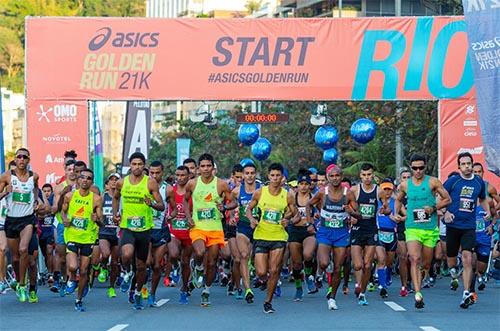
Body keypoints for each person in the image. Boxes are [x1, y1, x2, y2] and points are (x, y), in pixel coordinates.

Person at [395, 153, 451, 309]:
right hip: (412, 227)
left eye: (421, 168)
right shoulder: (405, 185)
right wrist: (398, 214)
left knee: (426, 264)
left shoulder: (433, 182)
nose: (418, 171)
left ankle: (421, 279)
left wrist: (433, 208)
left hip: (430, 228)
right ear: (411, 168)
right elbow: (398, 199)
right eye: (415, 168)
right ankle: (418, 293)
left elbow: (447, 199)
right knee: (414, 258)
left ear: (425, 167)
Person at [112, 152, 165, 310]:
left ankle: (135, 291)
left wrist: (151, 204)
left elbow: (161, 205)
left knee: (142, 266)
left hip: (144, 229)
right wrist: (116, 214)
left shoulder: (150, 183)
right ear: (130, 165)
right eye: (134, 164)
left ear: (144, 166)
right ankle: (126, 272)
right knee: (127, 254)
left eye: (140, 164)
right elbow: (115, 197)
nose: (137, 167)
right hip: (128, 227)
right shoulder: (122, 183)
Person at [183, 153, 236, 306]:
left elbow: (234, 202)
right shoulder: (192, 184)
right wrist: (188, 217)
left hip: (215, 229)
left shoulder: (221, 184)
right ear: (198, 169)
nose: (206, 169)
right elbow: (186, 201)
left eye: (208, 166)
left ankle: (206, 290)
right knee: (199, 252)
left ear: (213, 167)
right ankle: (198, 267)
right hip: (198, 227)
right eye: (203, 166)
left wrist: (225, 206)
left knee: (212, 262)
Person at [245, 163, 297, 314]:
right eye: (272, 176)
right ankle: (265, 281)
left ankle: (268, 301)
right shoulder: (260, 192)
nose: (275, 178)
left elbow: (292, 212)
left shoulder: (287, 195)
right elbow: (249, 208)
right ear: (268, 176)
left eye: (278, 176)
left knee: (274, 270)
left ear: (282, 178)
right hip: (261, 235)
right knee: (262, 272)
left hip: (278, 237)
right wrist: (251, 219)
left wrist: (287, 219)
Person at [307, 164, 359, 310]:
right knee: (323, 263)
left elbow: (358, 214)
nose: (335, 178)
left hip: (341, 233)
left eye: (337, 176)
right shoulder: (322, 192)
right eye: (332, 176)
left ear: (341, 177)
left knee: (338, 267)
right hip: (325, 231)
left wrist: (350, 211)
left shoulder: (347, 193)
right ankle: (320, 272)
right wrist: (309, 222)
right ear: (328, 178)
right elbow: (308, 204)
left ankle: (332, 297)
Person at [443, 152, 490, 309]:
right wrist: (445, 212)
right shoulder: (453, 181)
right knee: (451, 261)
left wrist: (488, 211)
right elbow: (439, 197)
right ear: (458, 166)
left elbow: (482, 199)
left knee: (468, 258)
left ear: (472, 163)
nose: (467, 166)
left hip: (469, 227)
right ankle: (453, 268)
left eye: (469, 163)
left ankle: (466, 293)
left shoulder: (478, 182)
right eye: (463, 164)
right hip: (453, 226)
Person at [0, 148, 41, 302]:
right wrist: (5, 192)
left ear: (28, 160)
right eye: (19, 157)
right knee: (16, 257)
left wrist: (36, 200)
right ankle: (18, 281)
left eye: (25, 157)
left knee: (24, 249)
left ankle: (24, 285)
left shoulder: (34, 176)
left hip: (27, 219)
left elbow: (36, 188)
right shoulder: (6, 177)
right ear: (15, 160)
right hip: (11, 220)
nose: (22, 160)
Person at [61, 168, 103, 311]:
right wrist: (65, 219)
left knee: (84, 270)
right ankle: (72, 278)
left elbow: (101, 221)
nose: (85, 180)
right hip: (72, 235)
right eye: (82, 177)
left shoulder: (96, 198)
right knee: (73, 266)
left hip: (88, 237)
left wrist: (97, 219)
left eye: (88, 178)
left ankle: (78, 299)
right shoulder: (69, 196)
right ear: (78, 180)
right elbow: (63, 211)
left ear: (91, 182)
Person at [349, 163, 381, 306]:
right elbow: (347, 206)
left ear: (373, 175)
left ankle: (362, 292)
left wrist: (386, 210)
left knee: (367, 265)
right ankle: (360, 284)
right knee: (357, 265)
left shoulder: (378, 191)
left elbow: (387, 206)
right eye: (364, 175)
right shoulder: (354, 190)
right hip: (357, 230)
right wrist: (352, 216)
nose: (367, 178)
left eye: (369, 175)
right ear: (360, 176)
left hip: (371, 230)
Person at [231, 162, 260, 304]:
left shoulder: (262, 190)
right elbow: (231, 204)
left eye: (252, 173)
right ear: (242, 175)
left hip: (260, 227)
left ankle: (258, 273)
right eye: (246, 173)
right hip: (243, 226)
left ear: (256, 174)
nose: (249, 176)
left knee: (256, 259)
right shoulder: (237, 190)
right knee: (243, 255)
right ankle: (248, 289)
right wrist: (231, 215)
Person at [147, 161, 175, 307]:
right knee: (145, 263)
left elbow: (174, 208)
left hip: (161, 229)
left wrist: (172, 216)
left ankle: (152, 293)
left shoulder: (168, 189)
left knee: (157, 265)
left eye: (157, 172)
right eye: (152, 172)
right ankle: (137, 287)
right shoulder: (144, 186)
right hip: (145, 229)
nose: (154, 175)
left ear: (162, 172)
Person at [288, 172, 318, 301]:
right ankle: (299, 288)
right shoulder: (291, 197)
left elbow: (323, 211)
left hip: (308, 231)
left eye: (306, 184)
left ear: (310, 185)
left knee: (308, 254)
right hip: (294, 231)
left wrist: (316, 218)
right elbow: (286, 215)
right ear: (297, 185)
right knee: (296, 264)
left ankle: (309, 275)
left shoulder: (314, 197)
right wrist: (291, 220)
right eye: (301, 184)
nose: (304, 187)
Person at [167, 165, 193, 304]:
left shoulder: (193, 192)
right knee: (173, 254)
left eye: (183, 175)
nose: (180, 178)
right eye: (178, 175)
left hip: (189, 232)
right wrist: (169, 216)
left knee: (185, 262)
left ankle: (184, 288)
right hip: (174, 230)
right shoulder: (171, 190)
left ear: (188, 176)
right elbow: (165, 207)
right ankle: (174, 267)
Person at [51, 159, 77, 294]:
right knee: (61, 256)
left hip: (76, 226)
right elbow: (54, 209)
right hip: (62, 224)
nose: (72, 173)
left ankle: (70, 280)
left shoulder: (82, 186)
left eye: (75, 170)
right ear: (65, 171)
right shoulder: (59, 187)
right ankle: (62, 277)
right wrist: (63, 195)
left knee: (72, 254)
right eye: (69, 170)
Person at [375, 179, 404, 299]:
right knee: (381, 259)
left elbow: (406, 215)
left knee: (389, 261)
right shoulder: (376, 202)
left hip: (392, 234)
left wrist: (398, 218)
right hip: (379, 232)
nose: (387, 192)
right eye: (384, 189)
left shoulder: (396, 202)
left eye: (389, 189)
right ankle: (382, 286)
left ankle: (387, 276)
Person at [472, 162, 498, 291]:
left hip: (484, 234)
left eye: (479, 172)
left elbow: (495, 212)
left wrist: (491, 224)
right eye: (474, 172)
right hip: (470, 233)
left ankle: (479, 275)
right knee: (471, 259)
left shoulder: (489, 189)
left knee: (481, 265)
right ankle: (470, 287)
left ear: (483, 173)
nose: (477, 174)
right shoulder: (466, 190)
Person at [97, 173, 121, 298]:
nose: (113, 182)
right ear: (107, 184)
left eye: (116, 180)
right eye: (111, 180)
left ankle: (111, 287)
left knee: (115, 262)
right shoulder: (103, 197)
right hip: (104, 231)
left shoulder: (122, 197)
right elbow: (97, 211)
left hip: (117, 232)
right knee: (105, 254)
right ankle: (102, 267)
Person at [396, 167, 411, 296]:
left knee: (415, 258)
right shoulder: (398, 196)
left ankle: (413, 280)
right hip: (402, 229)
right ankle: (404, 285)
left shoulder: (417, 195)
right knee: (403, 257)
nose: (406, 180)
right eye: (404, 178)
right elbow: (396, 210)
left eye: (408, 177)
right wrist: (397, 216)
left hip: (416, 229)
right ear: (400, 180)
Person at [37, 184, 56, 287]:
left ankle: (50, 274)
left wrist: (43, 213)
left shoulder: (53, 200)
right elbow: (39, 213)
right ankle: (40, 274)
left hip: (50, 230)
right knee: (44, 254)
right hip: (40, 231)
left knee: (49, 251)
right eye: (44, 191)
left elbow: (50, 209)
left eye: (49, 191)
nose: (47, 193)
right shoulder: (37, 200)